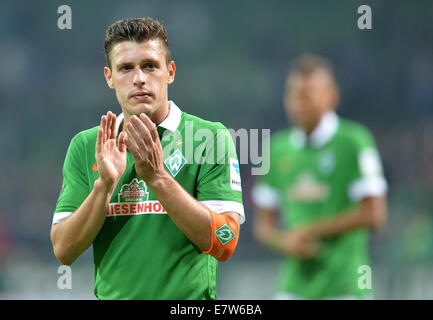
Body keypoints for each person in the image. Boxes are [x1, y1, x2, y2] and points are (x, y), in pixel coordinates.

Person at [50, 17, 244, 300]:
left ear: (170, 72)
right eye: (126, 68)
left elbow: (225, 243)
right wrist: (104, 185)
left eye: (150, 65)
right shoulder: (86, 146)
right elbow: (64, 251)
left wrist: (157, 178)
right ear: (109, 77)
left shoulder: (209, 138)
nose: (139, 78)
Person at [251, 53, 388, 300]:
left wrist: (311, 230)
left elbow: (375, 214)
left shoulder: (355, 142)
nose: (297, 103)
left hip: (345, 286)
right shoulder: (275, 149)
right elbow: (263, 225)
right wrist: (285, 242)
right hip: (294, 287)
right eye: (292, 94)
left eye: (307, 94)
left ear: (331, 96)